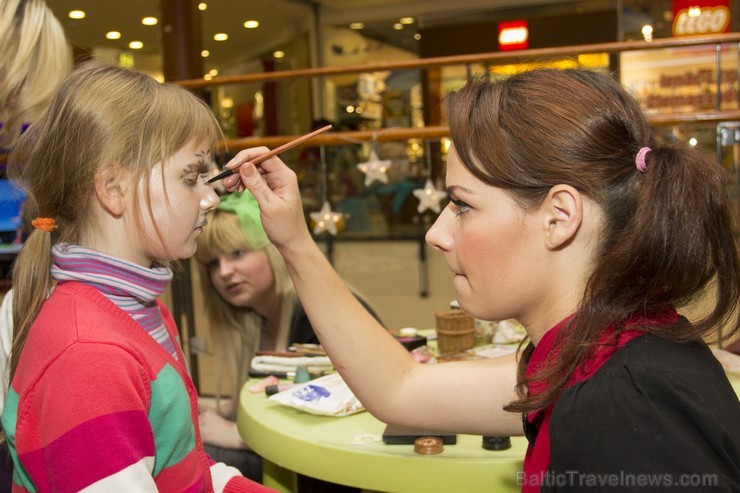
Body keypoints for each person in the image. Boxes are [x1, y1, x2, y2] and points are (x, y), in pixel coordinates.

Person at [222, 68, 740, 492]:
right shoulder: (589, 352)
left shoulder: (627, 407)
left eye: (462, 205)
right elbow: (402, 388)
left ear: (559, 216)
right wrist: (293, 240)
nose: (435, 233)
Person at [2, 61, 275, 492]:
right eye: (193, 177)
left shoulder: (139, 311)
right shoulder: (88, 356)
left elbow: (179, 462)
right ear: (113, 189)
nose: (211, 197)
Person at [193, 190, 382, 491]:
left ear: (271, 250)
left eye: (237, 254)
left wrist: (235, 434)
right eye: (213, 264)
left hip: (342, 473)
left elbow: (338, 421)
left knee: (201, 461)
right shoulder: (259, 317)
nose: (224, 272)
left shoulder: (313, 318)